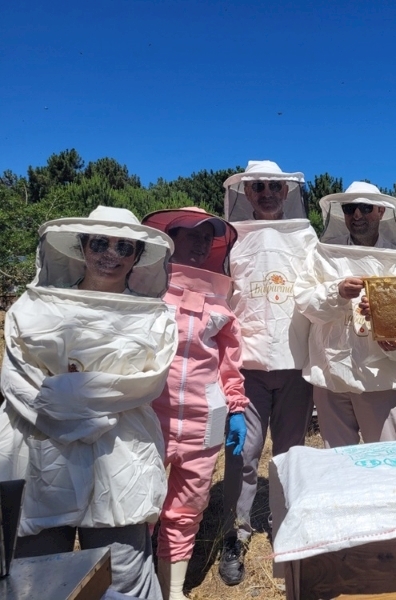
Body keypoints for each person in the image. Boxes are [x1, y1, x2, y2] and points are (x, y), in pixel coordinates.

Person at [0, 205, 177, 599]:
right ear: (82, 247)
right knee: (37, 578)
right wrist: (77, 418)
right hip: (43, 453)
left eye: (123, 246)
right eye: (100, 242)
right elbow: (17, 381)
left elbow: (147, 382)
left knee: (123, 578)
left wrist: (68, 393)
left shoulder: (156, 317)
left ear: (136, 256)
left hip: (120, 457)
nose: (111, 254)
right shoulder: (33, 307)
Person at [218, 160, 317, 585]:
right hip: (248, 366)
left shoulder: (306, 236)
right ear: (246, 192)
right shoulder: (231, 238)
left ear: (286, 190)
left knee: (291, 454)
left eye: (273, 185)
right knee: (242, 454)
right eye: (257, 186)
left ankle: (287, 524)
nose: (266, 192)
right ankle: (234, 534)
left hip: (296, 363)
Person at [141, 207, 248, 600]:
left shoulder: (220, 302)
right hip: (149, 418)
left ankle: (172, 591)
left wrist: (235, 407)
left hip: (204, 420)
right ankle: (138, 587)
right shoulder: (145, 291)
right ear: (171, 239)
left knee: (186, 510)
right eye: (193, 234)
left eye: (209, 236)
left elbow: (228, 362)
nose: (202, 242)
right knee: (141, 506)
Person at [295, 182, 396, 447]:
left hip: (378, 377)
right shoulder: (322, 254)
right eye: (350, 209)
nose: (357, 215)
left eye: (365, 208)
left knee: (387, 460)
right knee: (339, 461)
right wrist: (336, 292)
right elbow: (304, 300)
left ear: (381, 211)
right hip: (329, 375)